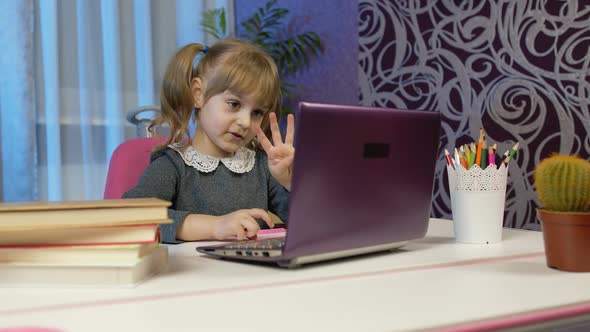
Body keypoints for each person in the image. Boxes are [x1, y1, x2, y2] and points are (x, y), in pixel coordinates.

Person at [123, 38, 295, 243]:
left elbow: (307, 224)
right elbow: (132, 218)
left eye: (257, 112)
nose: (245, 122)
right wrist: (214, 226)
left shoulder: (261, 166)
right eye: (234, 104)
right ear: (198, 94)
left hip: (254, 274)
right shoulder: (172, 165)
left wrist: (289, 181)